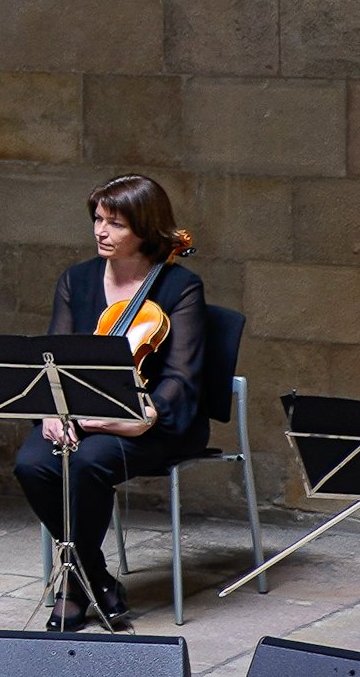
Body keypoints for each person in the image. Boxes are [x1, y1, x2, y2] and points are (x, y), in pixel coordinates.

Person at [11, 176, 212, 635]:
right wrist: (49, 411)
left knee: (86, 465)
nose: (101, 231)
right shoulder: (76, 280)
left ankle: (72, 589)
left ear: (145, 228)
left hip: (154, 421)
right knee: (32, 464)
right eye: (98, 220)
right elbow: (53, 358)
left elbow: (182, 374)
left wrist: (144, 417)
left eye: (115, 224)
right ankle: (94, 576)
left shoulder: (180, 286)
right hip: (80, 411)